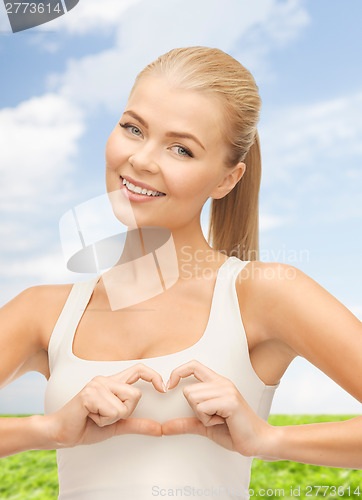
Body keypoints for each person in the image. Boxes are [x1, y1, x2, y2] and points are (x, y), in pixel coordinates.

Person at [0, 46, 361, 500]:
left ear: (227, 180)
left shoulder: (261, 294)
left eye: (181, 149)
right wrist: (47, 429)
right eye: (133, 128)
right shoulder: (43, 312)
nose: (142, 160)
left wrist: (270, 441)